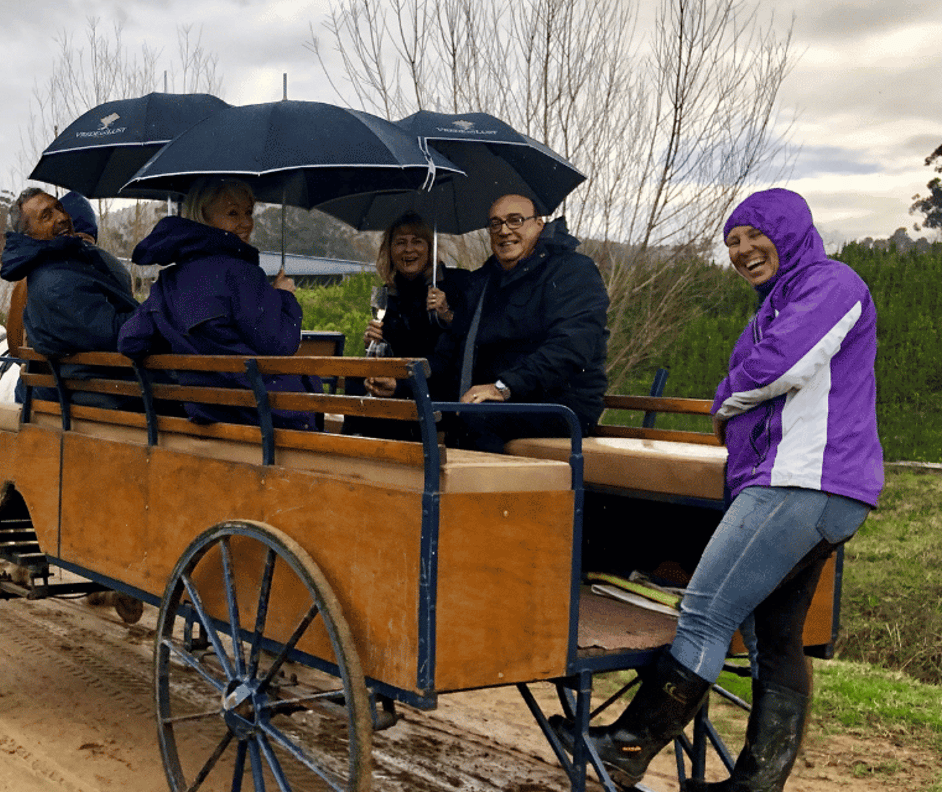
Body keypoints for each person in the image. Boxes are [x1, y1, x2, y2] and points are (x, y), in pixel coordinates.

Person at [554, 188, 884, 792]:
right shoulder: (778, 302)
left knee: (706, 613)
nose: (742, 250)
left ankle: (626, 747)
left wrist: (723, 404)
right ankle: (755, 785)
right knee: (774, 633)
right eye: (732, 241)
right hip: (818, 485)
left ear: (789, 231)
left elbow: (783, 366)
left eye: (755, 234)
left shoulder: (832, 283)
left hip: (801, 482)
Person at [118, 177, 317, 431]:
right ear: (202, 217)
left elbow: (130, 340)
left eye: (248, 212)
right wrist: (284, 296)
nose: (246, 223)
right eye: (232, 213)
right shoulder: (240, 273)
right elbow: (282, 344)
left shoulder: (167, 281)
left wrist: (183, 339)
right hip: (266, 416)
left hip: (206, 415)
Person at [429, 194, 608, 452]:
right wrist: (401, 382)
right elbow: (452, 351)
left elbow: (570, 348)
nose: (504, 231)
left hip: (560, 406)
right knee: (413, 414)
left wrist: (505, 386)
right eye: (495, 223)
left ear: (539, 224)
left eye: (515, 220)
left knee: (475, 420)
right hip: (495, 403)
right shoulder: (481, 283)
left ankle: (487, 493)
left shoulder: (573, 271)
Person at [0, 188, 139, 409]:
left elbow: (16, 348)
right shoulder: (62, 278)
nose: (62, 217)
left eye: (61, 210)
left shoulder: (43, 276)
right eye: (47, 215)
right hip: (95, 391)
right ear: (30, 235)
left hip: (71, 391)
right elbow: (112, 331)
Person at [344, 211, 477, 440]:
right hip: (401, 382)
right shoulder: (389, 293)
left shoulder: (456, 283)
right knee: (356, 380)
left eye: (417, 241)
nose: (409, 249)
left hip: (439, 383)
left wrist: (447, 314)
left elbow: (463, 341)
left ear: (430, 248)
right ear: (390, 250)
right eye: (400, 243)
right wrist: (375, 343)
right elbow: (393, 350)